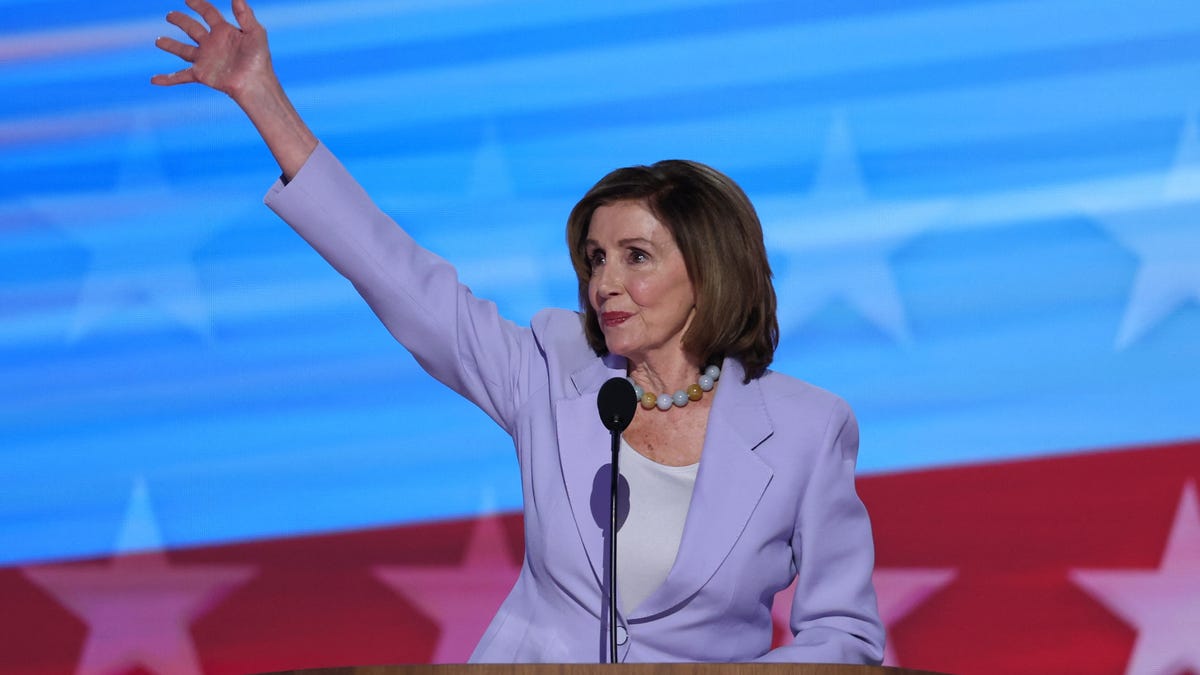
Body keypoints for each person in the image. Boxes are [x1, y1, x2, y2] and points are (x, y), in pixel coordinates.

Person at [152, 0, 885, 663]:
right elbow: (401, 281)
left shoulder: (806, 429)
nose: (605, 282)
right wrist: (262, 98)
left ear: (710, 268)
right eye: (595, 258)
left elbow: (844, 634)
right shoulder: (553, 372)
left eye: (637, 257)